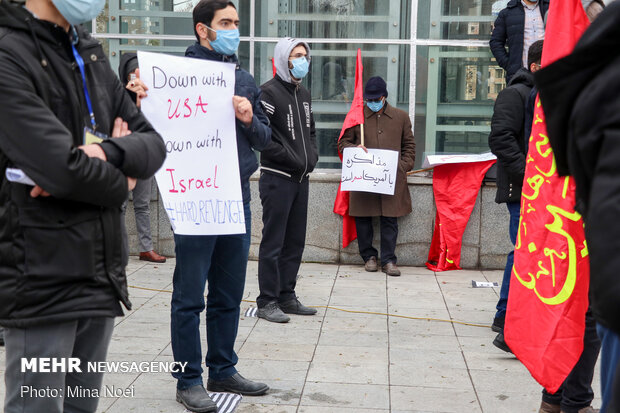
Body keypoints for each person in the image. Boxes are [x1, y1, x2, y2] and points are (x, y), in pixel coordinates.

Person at [0, 0, 166, 412]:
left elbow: (154, 145)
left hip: (100, 274)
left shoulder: (89, 54)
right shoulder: (9, 54)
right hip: (42, 279)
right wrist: (121, 177)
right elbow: (64, 169)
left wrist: (103, 152)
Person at [170, 1, 272, 412]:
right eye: (224, 23)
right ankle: (188, 378)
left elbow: (266, 140)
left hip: (236, 197)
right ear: (202, 29)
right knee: (190, 295)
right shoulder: (175, 79)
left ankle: (223, 368)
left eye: (235, 23)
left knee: (229, 292)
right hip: (194, 198)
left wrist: (248, 118)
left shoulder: (243, 79)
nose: (233, 29)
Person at [534, 2, 620, 411]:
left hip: (593, 244)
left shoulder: (587, 87)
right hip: (583, 235)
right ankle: (562, 395)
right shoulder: (601, 90)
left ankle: (566, 396)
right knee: (572, 311)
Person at [255, 38, 319, 323]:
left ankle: (286, 296)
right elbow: (262, 138)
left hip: (301, 180)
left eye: (304, 55)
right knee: (274, 242)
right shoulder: (267, 93)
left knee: (295, 241)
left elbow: (312, 132)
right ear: (283, 58)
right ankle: (267, 301)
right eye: (296, 55)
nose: (302, 60)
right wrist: (291, 158)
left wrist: (312, 157)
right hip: (277, 179)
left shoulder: (303, 93)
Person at [488, 40, 543, 351]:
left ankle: (507, 316)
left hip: (538, 190)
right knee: (523, 251)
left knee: (526, 251)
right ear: (535, 66)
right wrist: (531, 173)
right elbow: (500, 138)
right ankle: (506, 316)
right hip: (522, 188)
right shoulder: (515, 93)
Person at [338, 76, 416, 277]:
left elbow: (410, 146)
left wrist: (401, 166)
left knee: (390, 220)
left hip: (391, 179)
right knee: (363, 218)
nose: (372, 103)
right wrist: (355, 149)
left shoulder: (401, 117)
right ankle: (369, 257)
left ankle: (389, 260)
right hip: (364, 179)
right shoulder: (357, 118)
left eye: (376, 99)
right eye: (368, 100)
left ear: (384, 97)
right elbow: (342, 144)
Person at [118, 53, 166, 263]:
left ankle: (146, 248)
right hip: (123, 157)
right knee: (119, 204)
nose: (135, 79)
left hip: (144, 157)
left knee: (142, 204)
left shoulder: (150, 98)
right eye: (131, 75)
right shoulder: (117, 97)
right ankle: (117, 247)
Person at [490, 0, 549, 82]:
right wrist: (510, 65)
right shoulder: (507, 13)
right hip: (520, 76)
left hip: (549, 73)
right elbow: (496, 42)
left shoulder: (550, 9)